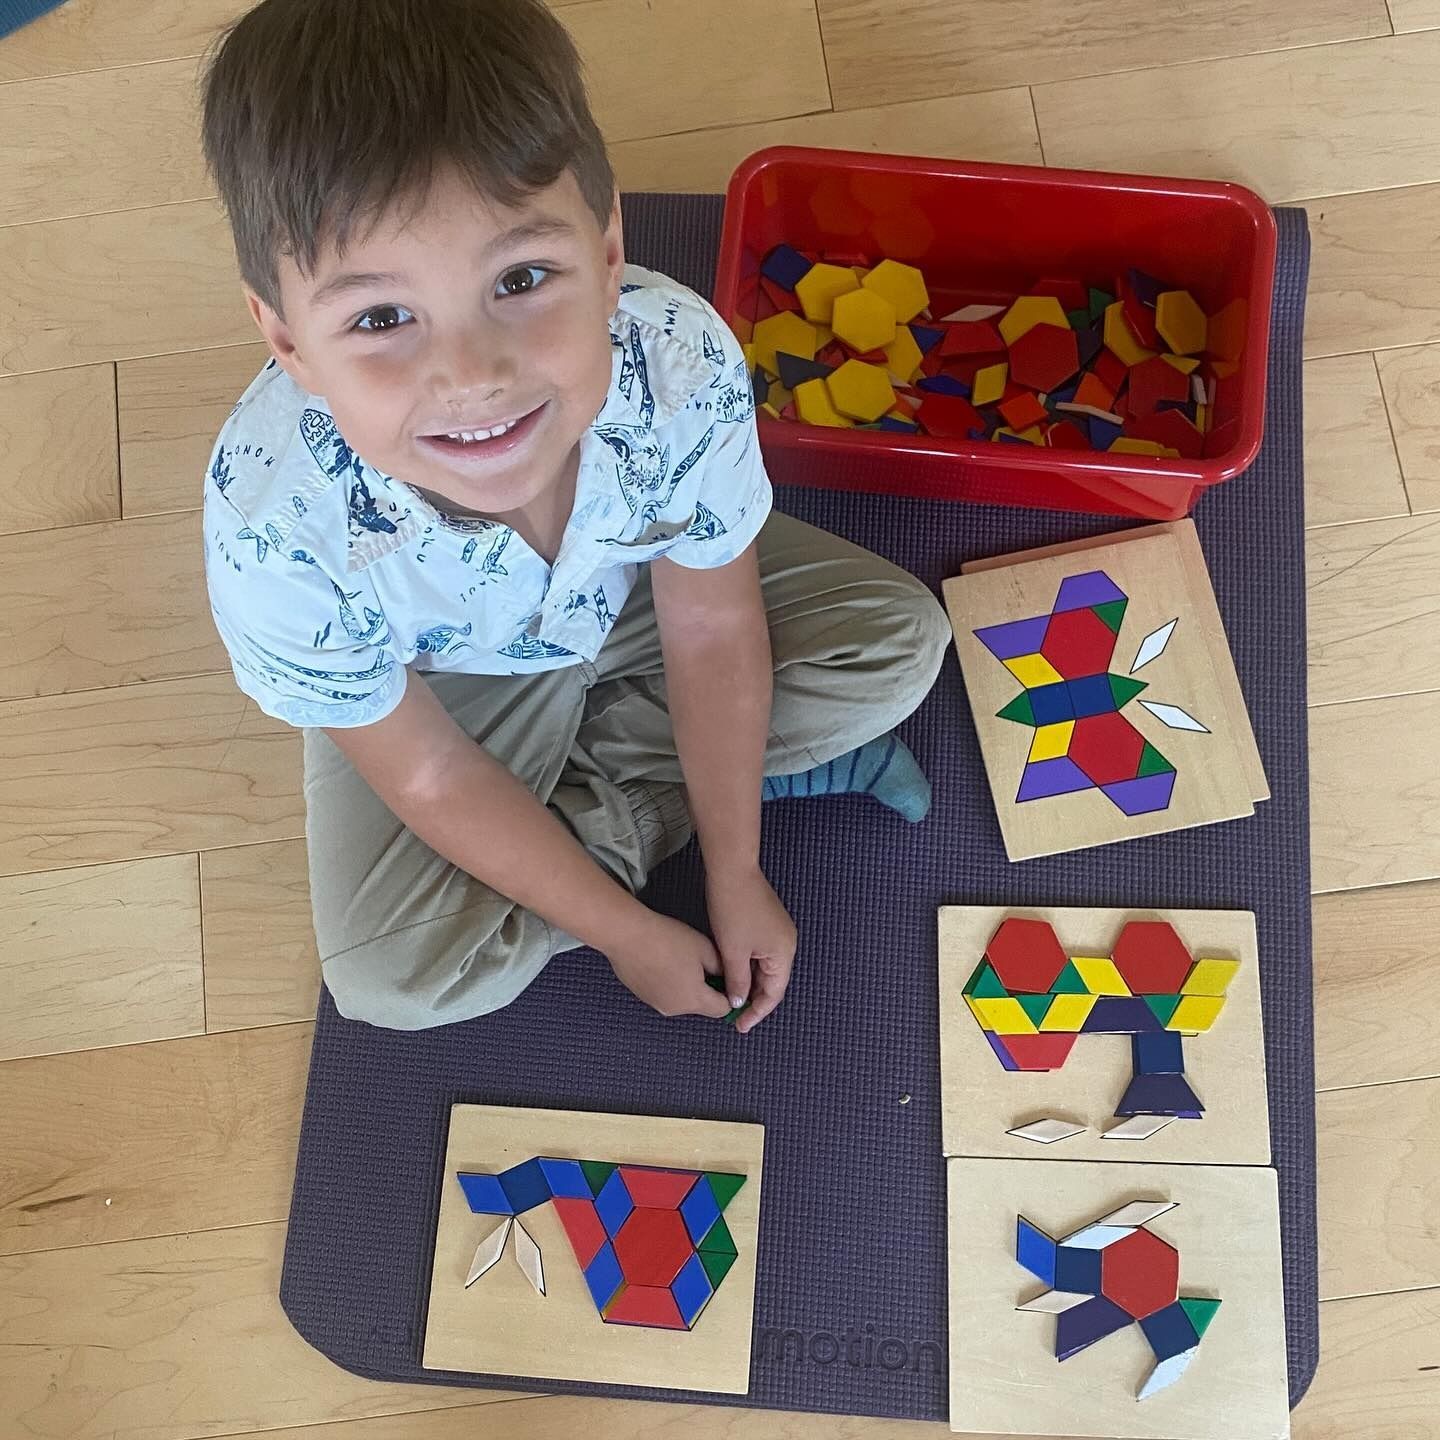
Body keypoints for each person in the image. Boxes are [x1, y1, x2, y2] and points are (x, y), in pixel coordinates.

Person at [198, 0, 951, 1035]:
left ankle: (645, 803)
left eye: (521, 278)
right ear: (288, 343)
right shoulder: (272, 535)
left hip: (633, 586)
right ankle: (688, 789)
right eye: (379, 318)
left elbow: (712, 621)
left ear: (606, 259)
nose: (472, 378)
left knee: (904, 644)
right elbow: (422, 767)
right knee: (393, 979)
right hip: (439, 676)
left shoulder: (679, 361)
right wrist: (625, 932)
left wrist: (735, 870)